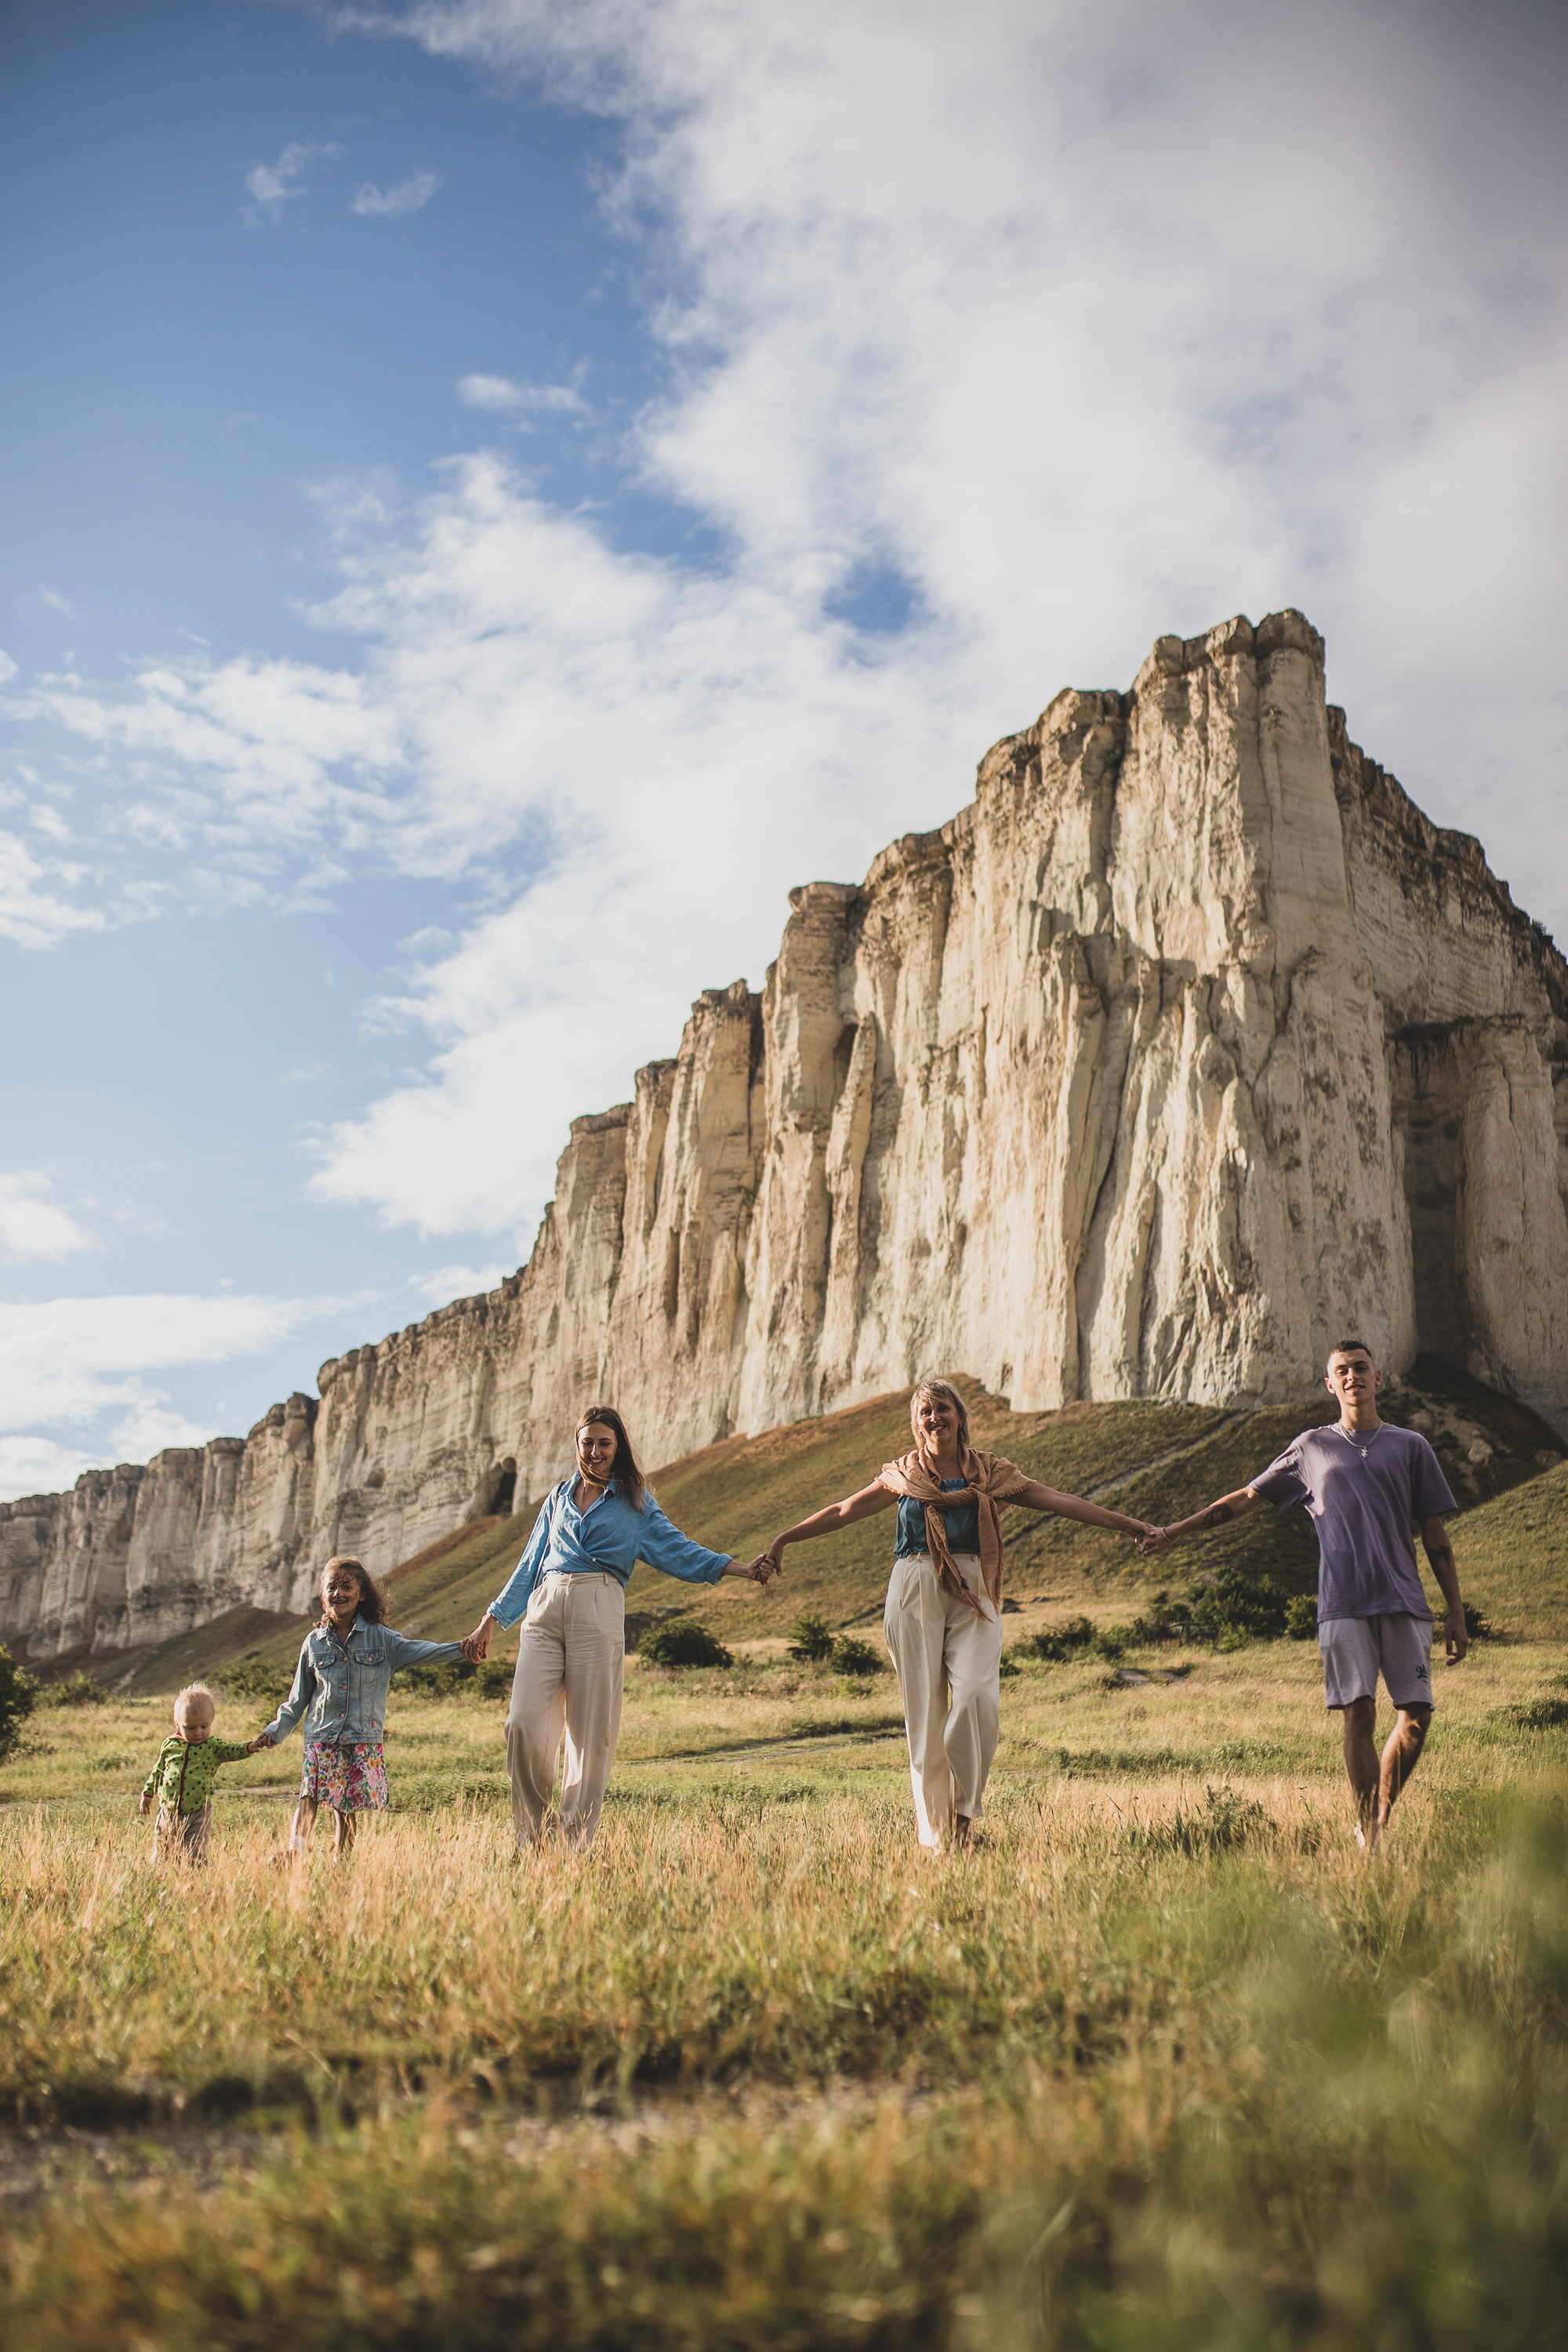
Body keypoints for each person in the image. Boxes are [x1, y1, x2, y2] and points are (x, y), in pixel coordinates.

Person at [755, 1378, 1162, 1850]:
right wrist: (784, 1539)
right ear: (916, 1423)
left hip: (974, 1584)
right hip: (913, 1585)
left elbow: (1059, 1501)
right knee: (925, 1717)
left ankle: (965, 1816)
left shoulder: (990, 1473)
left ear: (960, 1416)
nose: (935, 1419)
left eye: (942, 1409)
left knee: (974, 1697)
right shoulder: (903, 1474)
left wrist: (1129, 1524)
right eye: (925, 1412)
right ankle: (943, 1838)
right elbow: (844, 1510)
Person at [1141, 1339, 1466, 1851]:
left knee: (1417, 1719)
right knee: (1358, 1712)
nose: (1354, 1376)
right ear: (1329, 1384)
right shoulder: (1312, 1447)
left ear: (1378, 1377)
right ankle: (1370, 1834)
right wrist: (1173, 1531)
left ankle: (1381, 1809)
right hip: (1343, 1605)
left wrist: (1456, 1613)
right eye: (1343, 1370)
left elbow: (1436, 1535)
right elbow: (1247, 1498)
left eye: (1362, 1367)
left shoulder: (1411, 1447)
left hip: (1405, 1599)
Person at [465, 1405, 771, 1852]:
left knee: (589, 1734)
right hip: (544, 1607)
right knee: (522, 1724)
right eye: (587, 1442)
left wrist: (740, 1568)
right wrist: (491, 1621)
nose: (595, 1451)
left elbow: (679, 1551)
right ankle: (533, 1837)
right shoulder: (557, 1498)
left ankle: (571, 1845)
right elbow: (529, 1564)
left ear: (618, 1447)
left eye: (604, 1443)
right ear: (577, 1445)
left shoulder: (636, 1504)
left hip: (599, 1602)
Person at [253, 1554, 474, 1858]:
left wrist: (464, 1649)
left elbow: (425, 1651)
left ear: (362, 1594)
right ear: (323, 1594)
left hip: (360, 1737)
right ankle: (296, 1851)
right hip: (321, 1735)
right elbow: (298, 1698)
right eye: (332, 1587)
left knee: (346, 1806)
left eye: (347, 1586)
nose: (339, 1593)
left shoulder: (382, 1640)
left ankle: (342, 1860)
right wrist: (275, 1732)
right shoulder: (314, 1642)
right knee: (310, 1794)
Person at [139, 1681, 262, 1862]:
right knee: (163, 1854)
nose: (198, 1733)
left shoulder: (212, 1746)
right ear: (177, 1724)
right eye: (191, 1727)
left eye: (204, 1726)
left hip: (198, 1812)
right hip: (168, 1811)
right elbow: (158, 1770)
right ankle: (163, 1883)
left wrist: (249, 1747)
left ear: (211, 1722)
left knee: (194, 1854)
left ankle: (197, 1883)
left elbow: (230, 1750)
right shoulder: (170, 1745)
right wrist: (147, 1794)